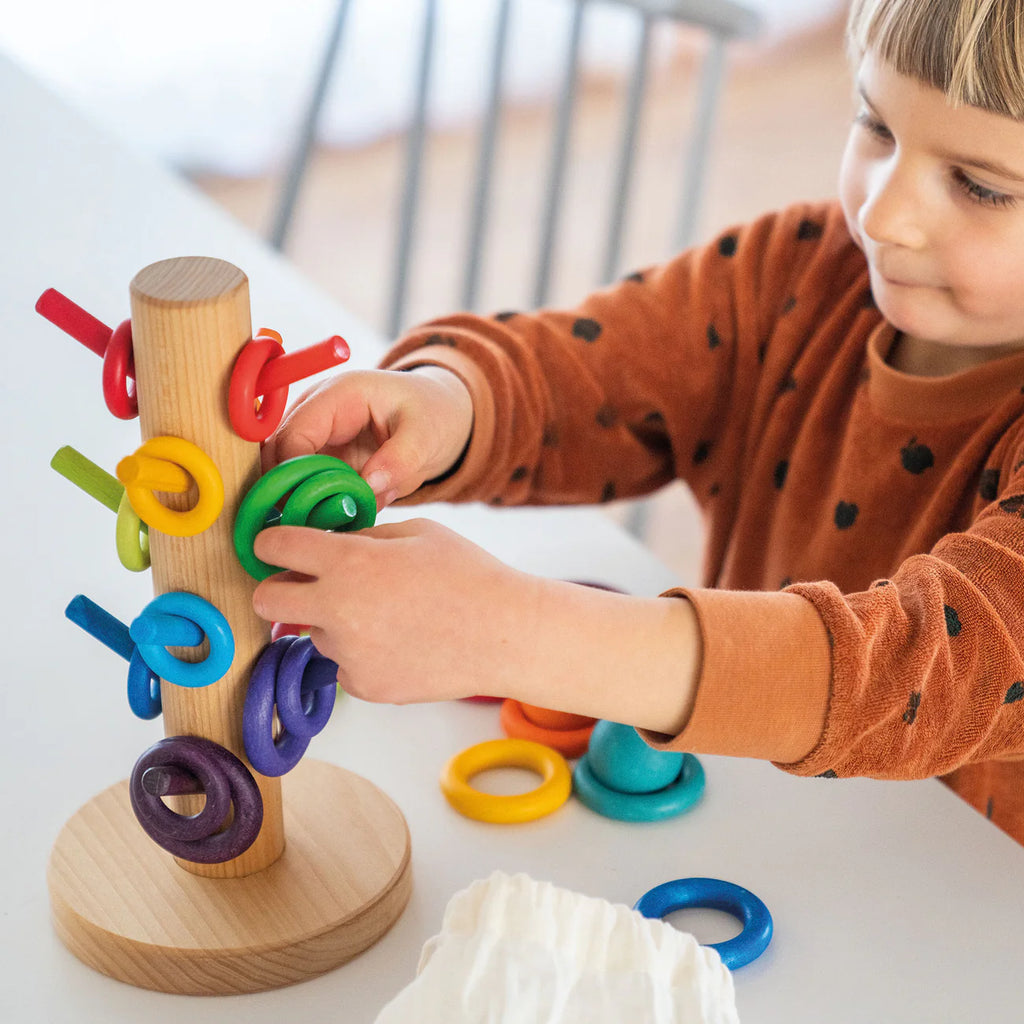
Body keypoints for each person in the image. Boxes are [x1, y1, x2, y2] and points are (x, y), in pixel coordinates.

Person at [252, 0, 1024, 845]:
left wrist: (515, 634)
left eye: (979, 185)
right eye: (876, 126)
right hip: (763, 830)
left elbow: (915, 670)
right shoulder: (799, 269)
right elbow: (598, 369)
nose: (882, 214)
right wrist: (452, 401)